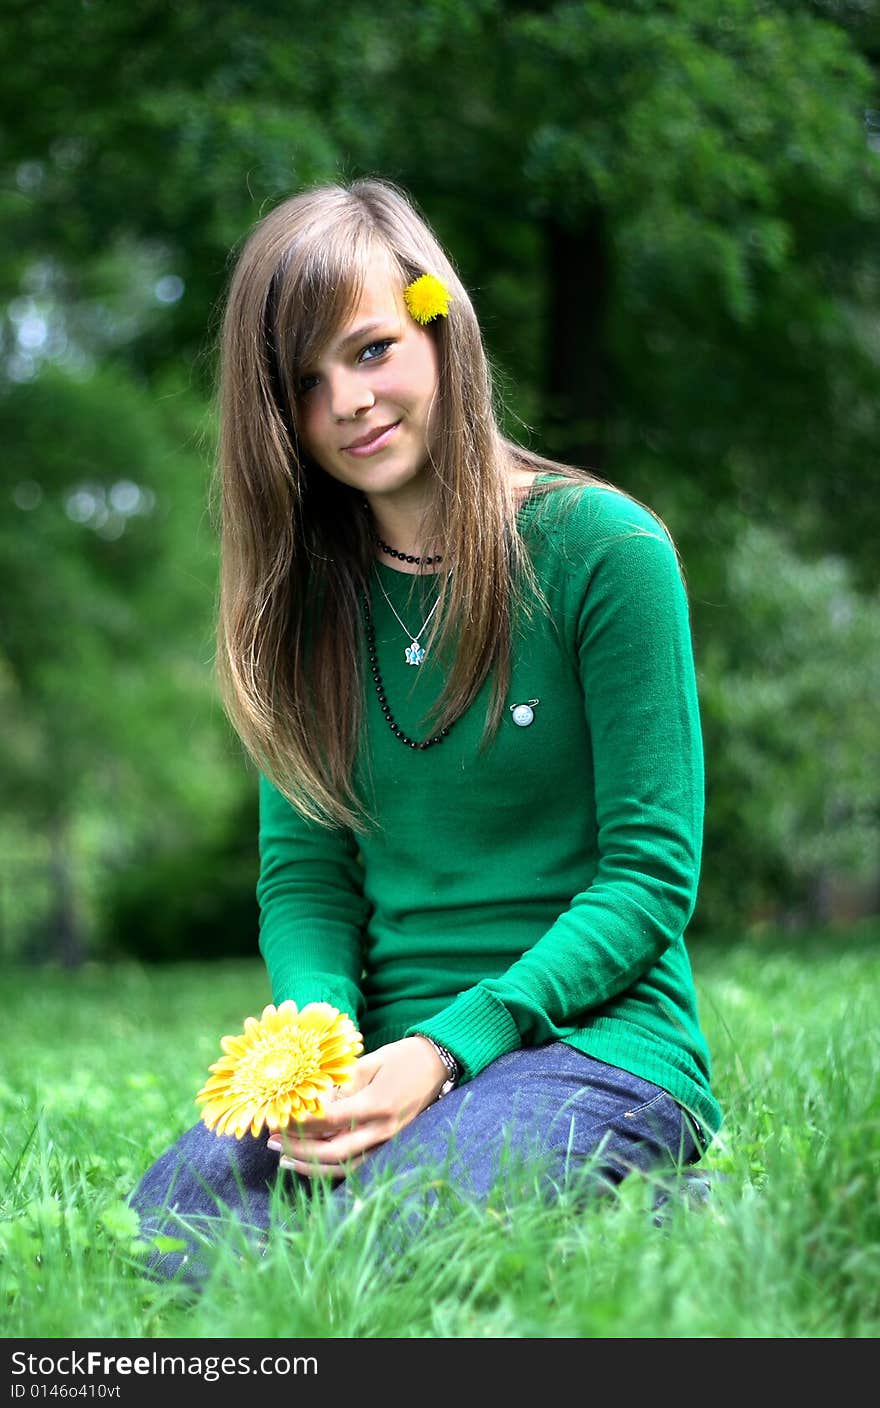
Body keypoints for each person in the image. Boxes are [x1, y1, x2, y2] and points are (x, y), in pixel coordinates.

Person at [129, 176, 722, 1282]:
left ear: (438, 322)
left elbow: (649, 877)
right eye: (304, 385)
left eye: (368, 350)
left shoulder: (606, 551)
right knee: (172, 1227)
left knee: (393, 1234)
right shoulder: (306, 607)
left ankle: (652, 1199)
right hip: (381, 1053)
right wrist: (312, 1048)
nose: (346, 401)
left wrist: (447, 1051)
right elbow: (304, 879)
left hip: (589, 1040)